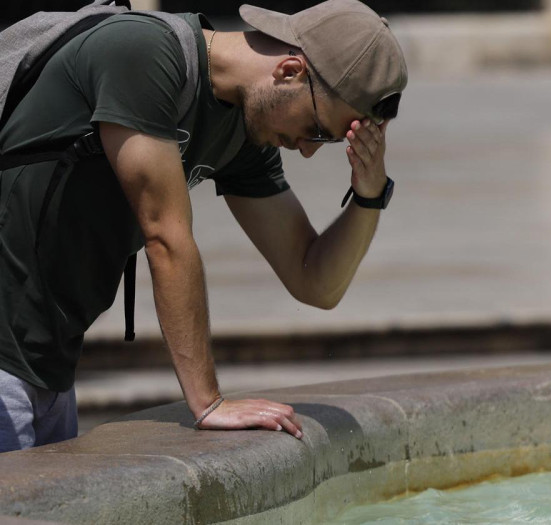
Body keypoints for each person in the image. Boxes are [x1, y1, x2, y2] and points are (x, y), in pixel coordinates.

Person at [0, 0, 407, 452]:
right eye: (316, 130)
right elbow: (166, 237)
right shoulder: (144, 54)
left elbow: (314, 281)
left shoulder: (241, 132)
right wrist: (209, 403)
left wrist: (370, 195)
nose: (308, 151)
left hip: (47, 363)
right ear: (289, 72)